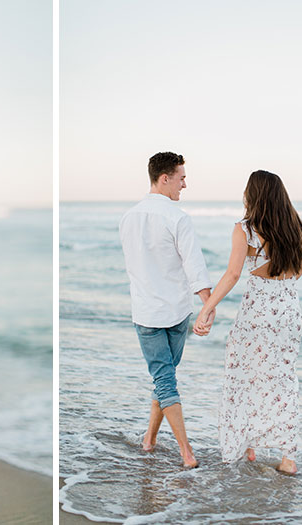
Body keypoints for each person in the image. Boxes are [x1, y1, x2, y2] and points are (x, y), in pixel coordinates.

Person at [193, 170, 302, 474]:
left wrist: (207, 308)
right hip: (288, 310)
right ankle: (288, 458)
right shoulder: (295, 228)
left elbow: (232, 274)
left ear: (252, 195)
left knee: (244, 373)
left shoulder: (245, 228)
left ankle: (247, 446)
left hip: (258, 310)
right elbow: (299, 270)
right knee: (283, 379)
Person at [119, 152, 214, 468]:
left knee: (164, 378)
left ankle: (149, 440)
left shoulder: (127, 218)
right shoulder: (178, 218)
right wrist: (207, 306)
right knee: (166, 379)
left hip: (146, 312)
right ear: (164, 178)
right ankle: (187, 453)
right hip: (173, 312)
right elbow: (194, 265)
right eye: (181, 177)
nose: (185, 184)